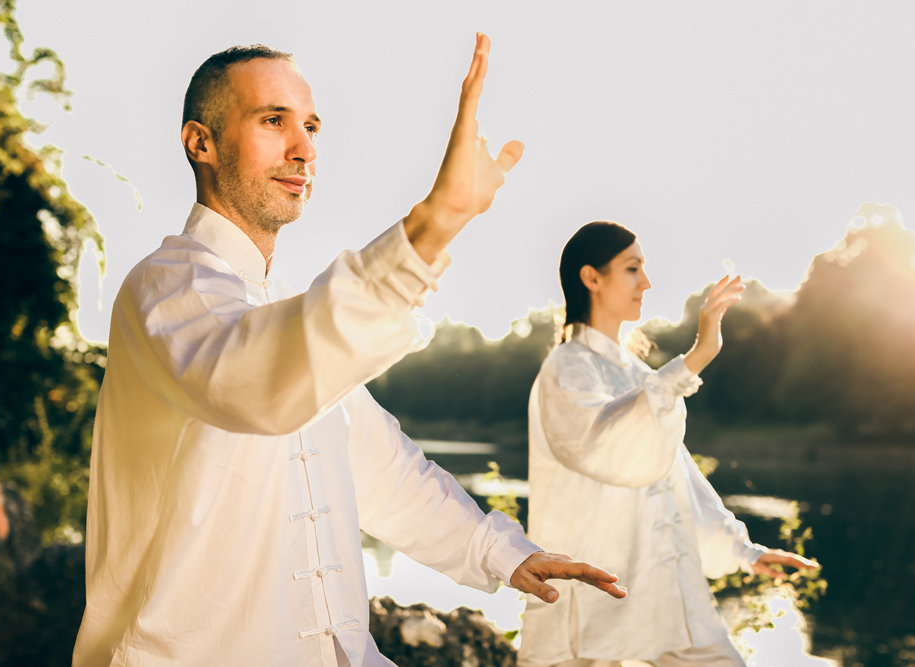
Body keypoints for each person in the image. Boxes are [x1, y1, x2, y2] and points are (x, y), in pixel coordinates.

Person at [72, 37, 627, 667]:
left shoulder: (285, 311)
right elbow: (253, 384)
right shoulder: (165, 288)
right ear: (200, 142)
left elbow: (385, 470)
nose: (304, 149)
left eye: (310, 126)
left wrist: (505, 553)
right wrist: (432, 224)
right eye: (273, 120)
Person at [518, 221, 819, 667]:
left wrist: (743, 550)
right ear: (592, 278)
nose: (647, 282)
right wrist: (696, 356)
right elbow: (603, 446)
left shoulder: (639, 374)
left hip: (662, 598)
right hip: (588, 607)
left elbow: (679, 479)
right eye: (632, 268)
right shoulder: (567, 368)